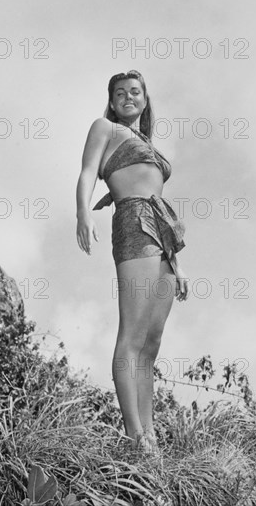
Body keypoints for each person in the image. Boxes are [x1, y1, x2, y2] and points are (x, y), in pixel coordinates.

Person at [76, 70, 190, 454]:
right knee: (131, 336)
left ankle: (150, 438)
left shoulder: (145, 140)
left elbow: (148, 186)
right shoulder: (104, 128)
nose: (128, 97)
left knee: (151, 343)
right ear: (111, 100)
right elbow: (89, 171)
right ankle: (135, 436)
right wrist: (83, 213)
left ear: (144, 99)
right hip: (133, 225)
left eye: (135, 92)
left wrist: (178, 263)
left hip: (162, 235)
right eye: (120, 92)